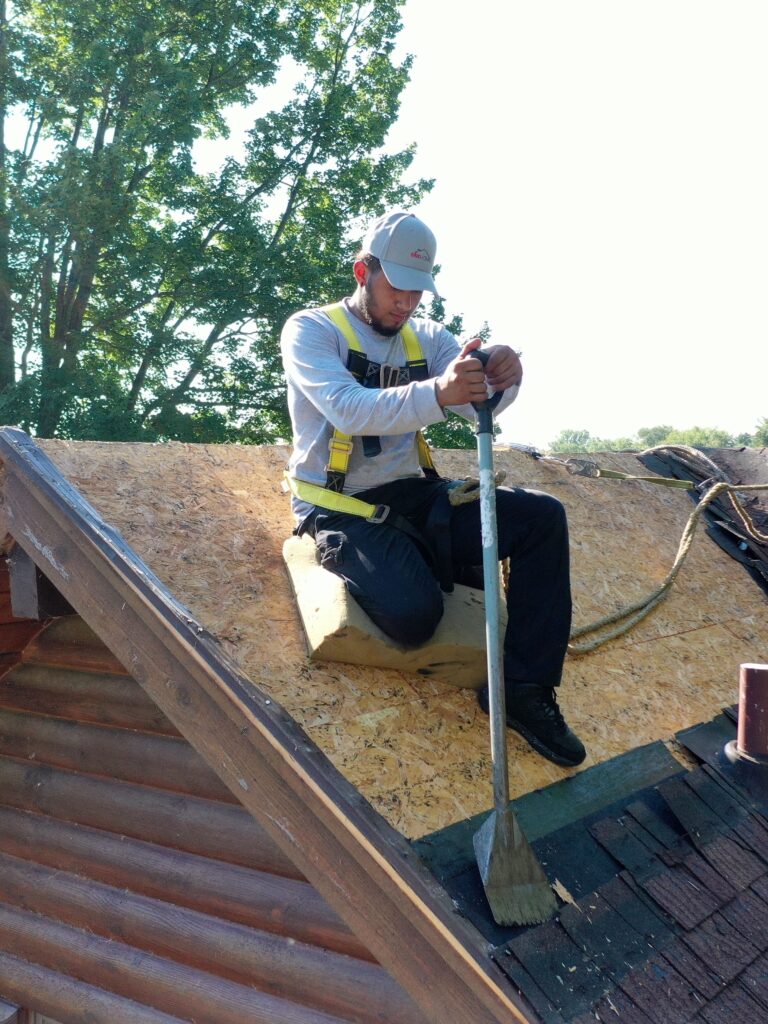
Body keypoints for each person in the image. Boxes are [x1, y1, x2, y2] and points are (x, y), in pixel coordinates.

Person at [281, 210, 585, 767]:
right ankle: (385, 559)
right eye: (396, 287)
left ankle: (523, 689)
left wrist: (499, 377)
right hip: (341, 505)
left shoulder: (429, 338)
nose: (406, 303)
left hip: (415, 493)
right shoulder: (312, 331)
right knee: (414, 619)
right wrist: (439, 392)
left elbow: (478, 410)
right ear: (362, 272)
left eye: (417, 292)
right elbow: (347, 409)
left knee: (543, 518)